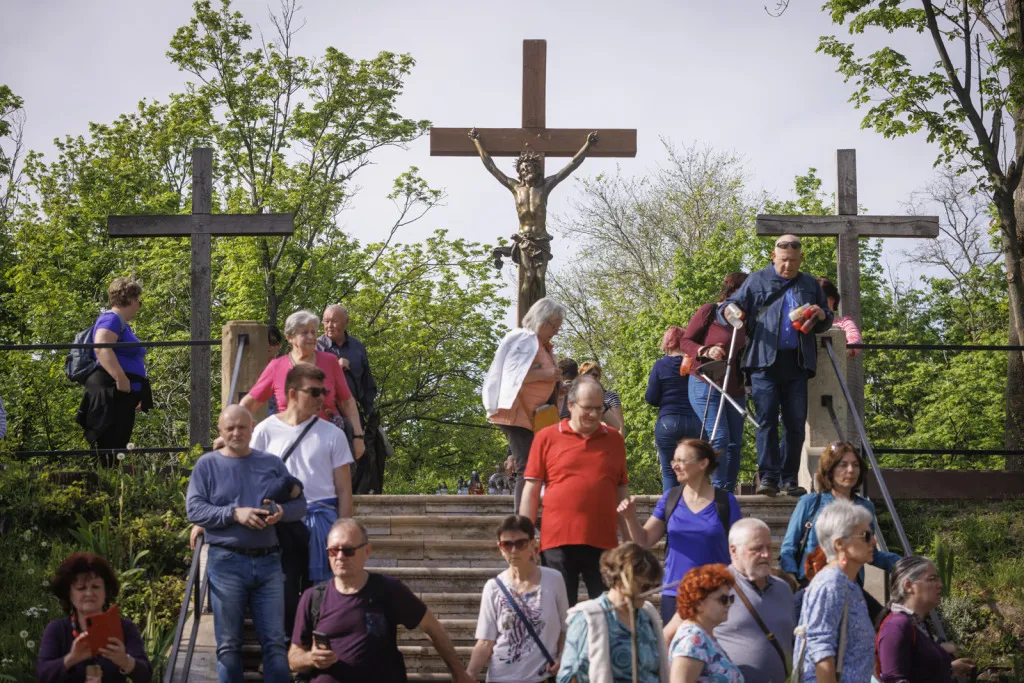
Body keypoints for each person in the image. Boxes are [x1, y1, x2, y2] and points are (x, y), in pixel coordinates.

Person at [186, 405, 307, 683]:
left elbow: (300, 504)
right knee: (228, 646)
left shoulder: (272, 464)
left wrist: (281, 512)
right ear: (220, 430)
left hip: (269, 563)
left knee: (275, 644)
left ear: (253, 428)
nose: (236, 433)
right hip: (226, 563)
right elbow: (194, 510)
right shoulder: (207, 464)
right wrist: (234, 513)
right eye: (230, 428)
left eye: (242, 427)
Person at [289, 518, 475, 683]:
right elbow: (293, 657)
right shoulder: (313, 598)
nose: (340, 557)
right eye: (333, 551)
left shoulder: (388, 590)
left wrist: (459, 673)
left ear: (367, 551)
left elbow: (432, 627)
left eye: (348, 550)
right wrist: (311, 658)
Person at [719, 235, 833, 497]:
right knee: (766, 420)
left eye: (793, 260)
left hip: (797, 362)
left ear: (801, 259)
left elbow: (826, 318)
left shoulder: (809, 283)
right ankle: (768, 477)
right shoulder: (756, 280)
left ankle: (789, 479)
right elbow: (728, 307)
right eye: (783, 260)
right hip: (763, 362)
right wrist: (729, 312)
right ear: (773, 257)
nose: (788, 266)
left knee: (795, 423)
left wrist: (822, 314)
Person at [250, 364, 355, 635]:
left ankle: (316, 646)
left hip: (322, 521)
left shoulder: (333, 434)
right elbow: (248, 479)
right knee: (282, 589)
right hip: (280, 521)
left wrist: (344, 531)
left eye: (324, 392)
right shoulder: (264, 430)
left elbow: (344, 490)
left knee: (320, 593)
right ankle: (288, 645)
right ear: (293, 393)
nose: (322, 398)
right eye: (314, 392)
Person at [521, 375, 630, 607]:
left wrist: (629, 540)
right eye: (587, 408)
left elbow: (622, 492)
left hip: (604, 543)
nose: (594, 414)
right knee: (558, 613)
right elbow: (531, 491)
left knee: (608, 613)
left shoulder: (614, 440)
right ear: (570, 405)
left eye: (599, 408)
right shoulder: (546, 437)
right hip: (557, 543)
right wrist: (524, 537)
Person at [618, 439, 742, 626]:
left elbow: (739, 549)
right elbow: (644, 541)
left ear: (703, 463)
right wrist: (630, 517)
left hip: (716, 594)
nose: (675, 466)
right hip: (675, 594)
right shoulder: (671, 498)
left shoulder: (726, 502)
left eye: (682, 461)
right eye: (674, 461)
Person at [243, 310, 365, 461]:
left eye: (313, 332)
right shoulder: (276, 366)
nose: (311, 337)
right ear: (290, 337)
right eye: (305, 332)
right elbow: (250, 402)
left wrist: (358, 436)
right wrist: (232, 432)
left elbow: (347, 401)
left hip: (327, 445)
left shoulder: (330, 361)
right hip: (287, 445)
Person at [779, 442, 900, 591]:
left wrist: (905, 564)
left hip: (851, 586)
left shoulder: (865, 507)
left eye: (855, 465)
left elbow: (870, 552)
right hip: (812, 583)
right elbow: (789, 546)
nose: (851, 470)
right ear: (829, 470)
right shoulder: (810, 502)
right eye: (843, 465)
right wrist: (791, 578)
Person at [482, 297, 564, 513]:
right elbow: (512, 375)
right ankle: (522, 520)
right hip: (518, 416)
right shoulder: (525, 340)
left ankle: (529, 516)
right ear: (543, 321)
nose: (556, 332)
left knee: (536, 467)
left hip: (534, 417)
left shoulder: (539, 344)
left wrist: (559, 388)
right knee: (527, 468)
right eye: (554, 327)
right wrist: (546, 375)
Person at [467, 515, 569, 682]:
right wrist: (470, 674)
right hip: (501, 677)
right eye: (507, 544)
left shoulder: (554, 579)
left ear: (533, 544)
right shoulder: (493, 587)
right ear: (500, 548)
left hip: (542, 677)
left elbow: (565, 628)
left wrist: (562, 657)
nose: (514, 551)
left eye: (521, 543)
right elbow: (485, 641)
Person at [557, 542, 670, 683]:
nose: (650, 593)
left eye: (654, 586)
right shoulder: (589, 617)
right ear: (620, 579)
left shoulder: (647, 615)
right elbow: (567, 677)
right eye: (645, 586)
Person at [792, 498, 877, 683]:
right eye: (866, 536)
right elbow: (820, 651)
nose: (874, 541)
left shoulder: (849, 585)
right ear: (839, 544)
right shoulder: (830, 584)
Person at [36, 553, 153, 683]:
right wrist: (71, 658)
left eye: (96, 587)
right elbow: (43, 675)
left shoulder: (125, 628)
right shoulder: (57, 629)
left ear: (106, 591)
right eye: (81, 588)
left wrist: (125, 661)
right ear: (69, 594)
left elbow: (146, 675)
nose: (89, 593)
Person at [680, 272, 748, 492]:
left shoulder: (748, 319)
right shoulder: (709, 311)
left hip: (735, 386)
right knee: (719, 436)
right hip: (705, 381)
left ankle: (727, 491)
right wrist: (705, 350)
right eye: (742, 291)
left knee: (735, 442)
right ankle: (717, 490)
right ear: (730, 291)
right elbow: (685, 341)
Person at [76, 277, 152, 464]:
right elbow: (101, 346)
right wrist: (120, 378)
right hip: (111, 390)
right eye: (139, 301)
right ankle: (102, 480)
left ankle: (108, 479)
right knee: (108, 444)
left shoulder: (122, 324)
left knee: (117, 444)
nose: (139, 307)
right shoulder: (110, 318)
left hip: (120, 393)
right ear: (131, 299)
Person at [875, 556, 975, 683]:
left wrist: (950, 670)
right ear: (908, 586)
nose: (940, 585)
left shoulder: (918, 624)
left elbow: (920, 670)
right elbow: (894, 680)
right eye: (932, 579)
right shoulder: (896, 627)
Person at [717, 519, 794, 683]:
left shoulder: (784, 589)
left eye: (769, 548)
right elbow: (680, 638)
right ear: (734, 551)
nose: (766, 555)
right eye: (757, 549)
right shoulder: (714, 588)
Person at [317, 304, 382, 493]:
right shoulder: (315, 347)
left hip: (353, 416)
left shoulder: (357, 347)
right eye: (326, 321)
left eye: (334, 321)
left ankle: (349, 499)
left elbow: (368, 383)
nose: (329, 325)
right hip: (324, 415)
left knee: (354, 462)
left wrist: (368, 415)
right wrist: (333, 367)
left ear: (346, 322)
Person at [646, 326, 703, 493]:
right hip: (695, 421)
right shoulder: (694, 363)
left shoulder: (660, 365)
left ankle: (671, 508)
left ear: (667, 343)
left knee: (670, 472)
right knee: (696, 471)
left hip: (668, 421)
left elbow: (651, 397)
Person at [668, 563, 743, 683]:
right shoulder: (692, 639)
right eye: (723, 599)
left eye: (731, 599)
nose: (729, 604)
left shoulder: (704, 635)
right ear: (699, 603)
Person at [817, 277, 862, 358]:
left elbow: (856, 340)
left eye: (821, 298)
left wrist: (840, 354)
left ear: (832, 300)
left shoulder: (844, 323)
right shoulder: (806, 321)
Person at [578, 361, 624, 431]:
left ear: (599, 377)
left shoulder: (610, 396)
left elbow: (620, 426)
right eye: (586, 375)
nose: (591, 378)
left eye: (595, 375)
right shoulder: (576, 397)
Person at [267, 325, 283, 414]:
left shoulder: (284, 368)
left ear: (278, 345)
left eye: (272, 342)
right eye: (264, 341)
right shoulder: (248, 369)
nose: (268, 345)